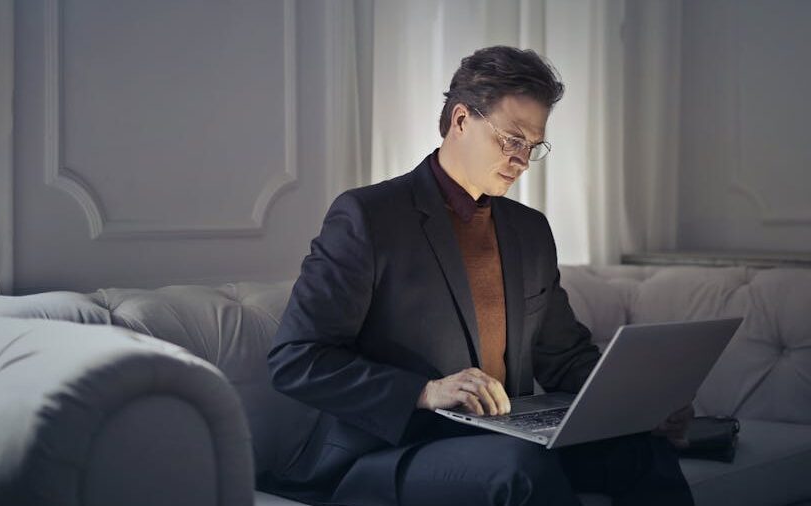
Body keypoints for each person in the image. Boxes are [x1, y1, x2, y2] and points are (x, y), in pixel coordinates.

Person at [267, 45, 694, 506]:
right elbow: (296, 358)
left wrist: (637, 405)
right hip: (393, 451)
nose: (522, 160)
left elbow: (564, 357)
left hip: (505, 440)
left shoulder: (529, 230)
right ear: (461, 120)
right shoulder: (368, 217)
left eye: (533, 146)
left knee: (642, 451)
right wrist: (425, 392)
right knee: (520, 471)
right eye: (512, 139)